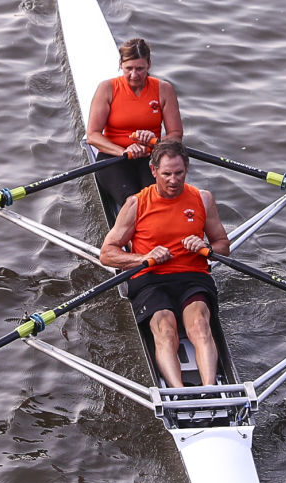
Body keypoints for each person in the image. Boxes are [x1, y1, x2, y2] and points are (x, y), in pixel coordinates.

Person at [99, 140, 231, 391]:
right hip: (151, 277)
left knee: (201, 324)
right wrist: (144, 257)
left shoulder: (203, 199)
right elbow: (107, 254)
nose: (173, 180)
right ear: (153, 171)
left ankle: (211, 389)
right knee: (165, 326)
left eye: (179, 173)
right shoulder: (135, 204)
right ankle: (177, 392)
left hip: (193, 276)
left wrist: (207, 248)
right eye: (167, 173)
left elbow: (223, 245)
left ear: (187, 169)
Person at [86, 37, 183, 217]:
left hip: (152, 156)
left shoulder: (164, 89)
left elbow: (176, 134)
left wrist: (157, 144)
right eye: (128, 68)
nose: (134, 75)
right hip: (113, 157)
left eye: (140, 69)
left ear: (149, 65)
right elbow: (92, 135)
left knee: (158, 198)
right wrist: (124, 151)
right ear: (121, 64)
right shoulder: (107, 88)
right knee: (131, 201)